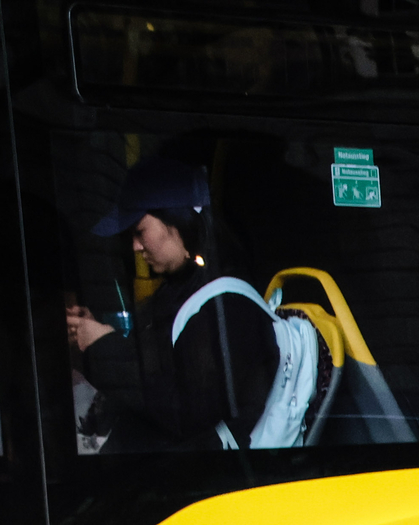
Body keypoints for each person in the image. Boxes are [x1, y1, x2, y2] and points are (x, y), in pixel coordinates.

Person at [64, 157, 277, 454]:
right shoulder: (179, 289)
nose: (136, 247)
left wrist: (105, 347)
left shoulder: (224, 304)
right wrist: (100, 335)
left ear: (177, 220)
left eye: (140, 231)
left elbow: (186, 414)